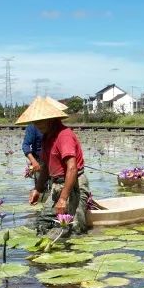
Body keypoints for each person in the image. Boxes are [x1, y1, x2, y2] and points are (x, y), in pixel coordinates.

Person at [15, 97, 92, 236]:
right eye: (35, 122)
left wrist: (63, 199)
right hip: (57, 185)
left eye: (39, 122)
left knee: (74, 230)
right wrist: (37, 189)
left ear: (51, 119)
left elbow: (72, 168)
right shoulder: (47, 138)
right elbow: (45, 167)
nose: (37, 125)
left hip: (73, 185)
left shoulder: (64, 135)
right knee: (42, 223)